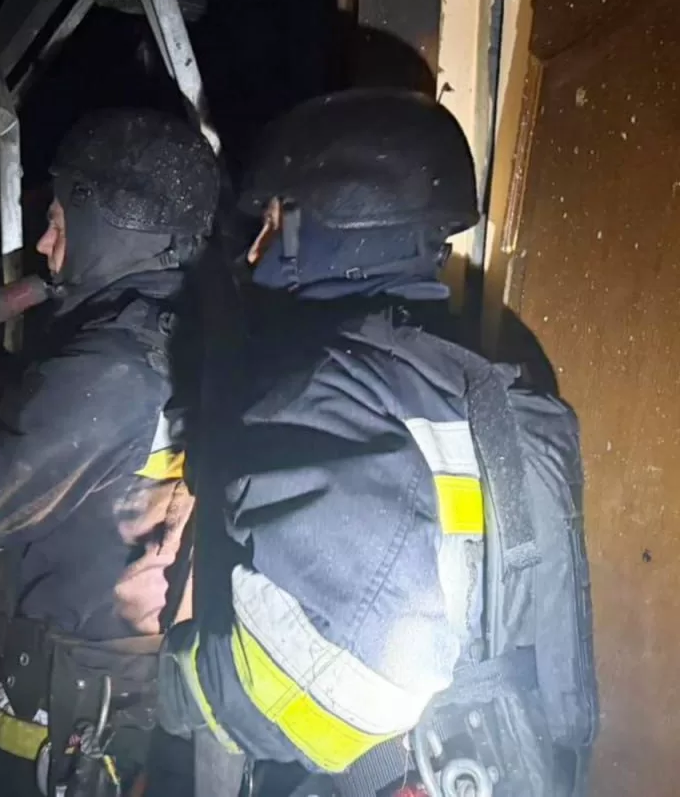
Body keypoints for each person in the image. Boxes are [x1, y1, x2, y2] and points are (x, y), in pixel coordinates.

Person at [159, 89, 599, 796]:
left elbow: (321, 697)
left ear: (330, 225)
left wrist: (180, 681)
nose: (256, 250)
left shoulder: (332, 391)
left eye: (272, 224)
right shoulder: (488, 382)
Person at [0, 108, 221, 796]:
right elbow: (60, 427)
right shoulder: (171, 327)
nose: (44, 241)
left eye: (60, 221)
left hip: (68, 716)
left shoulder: (115, 366)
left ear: (111, 229)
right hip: (131, 682)